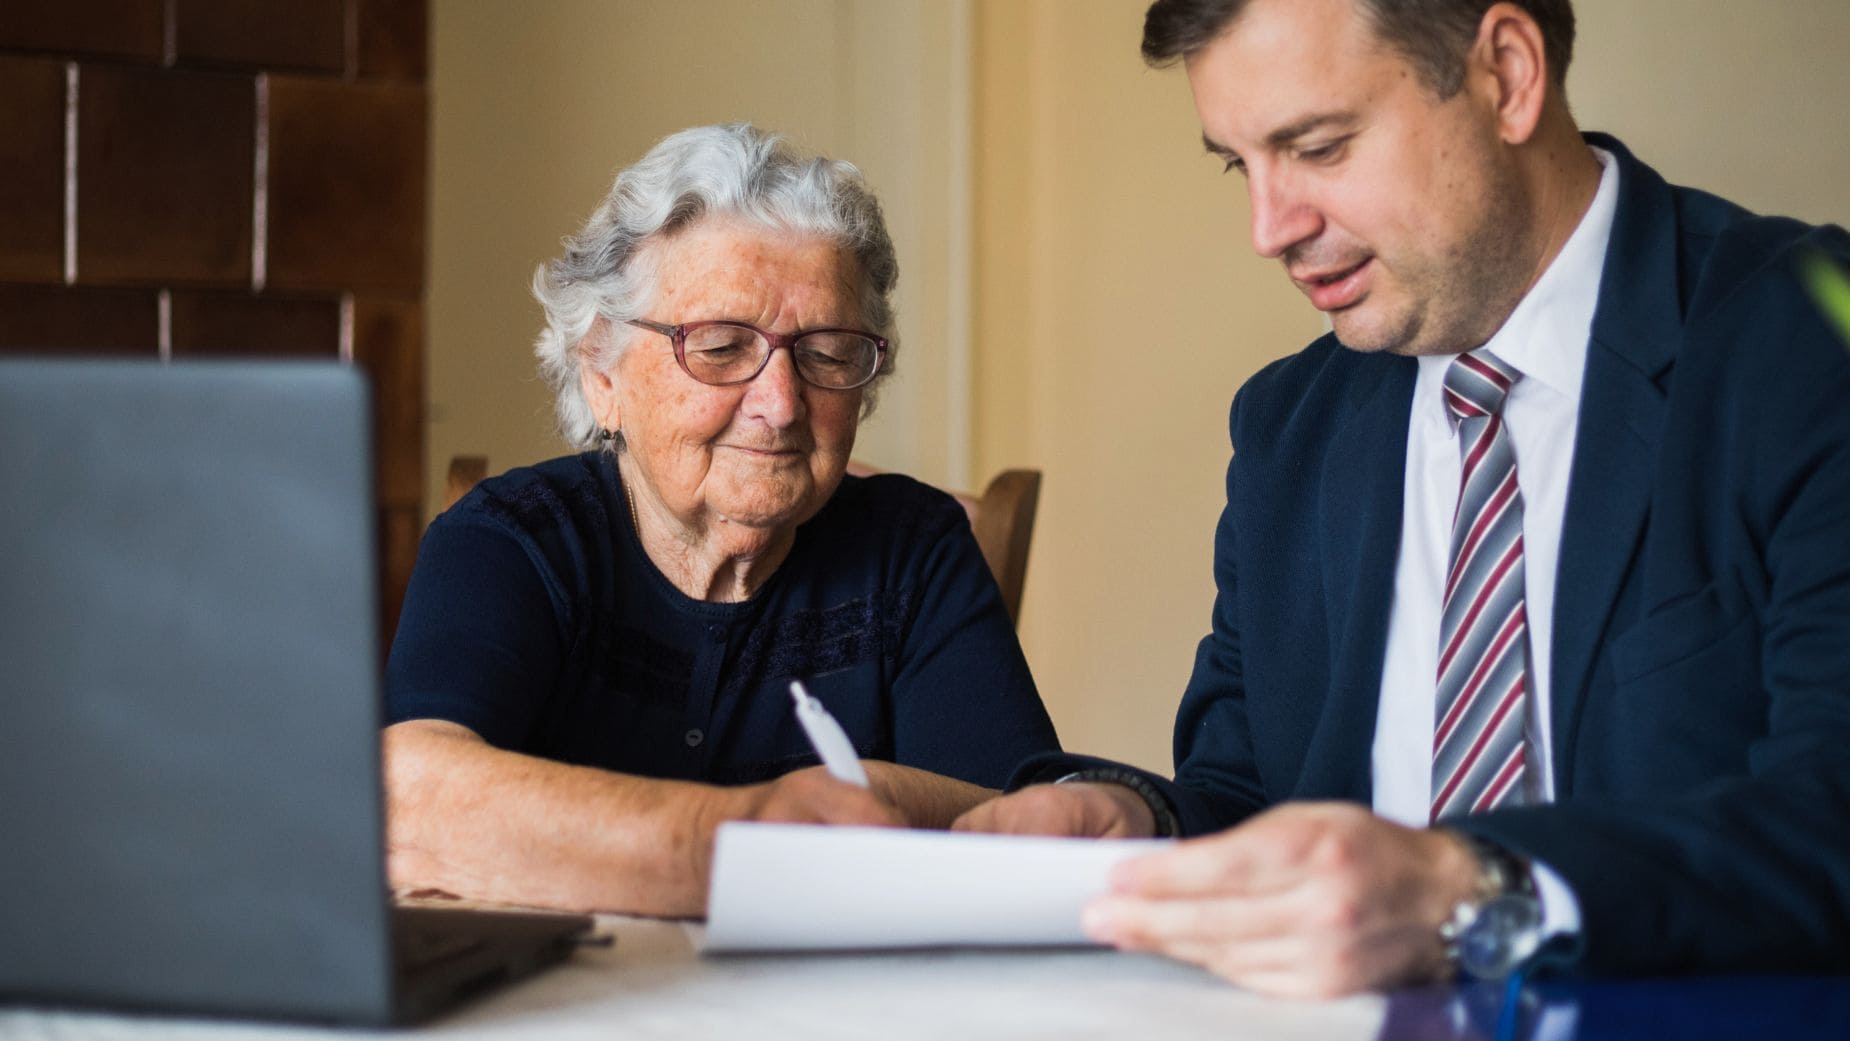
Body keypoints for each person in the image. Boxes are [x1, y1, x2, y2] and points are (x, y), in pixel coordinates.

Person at [954, 0, 1850, 997]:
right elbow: (1251, 800)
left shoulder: (1808, 343)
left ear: (1505, 75)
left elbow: (1828, 813)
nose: (1268, 228)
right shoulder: (1285, 426)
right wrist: (1140, 820)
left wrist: (1471, 891)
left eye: (1318, 147)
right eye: (1237, 165)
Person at [384, 123, 1059, 918]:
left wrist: (874, 796)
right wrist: (733, 840)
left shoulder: (912, 547)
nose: (779, 405)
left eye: (827, 352)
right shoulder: (513, 539)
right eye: (720, 345)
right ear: (601, 375)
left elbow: (1029, 828)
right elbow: (407, 800)